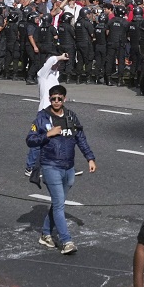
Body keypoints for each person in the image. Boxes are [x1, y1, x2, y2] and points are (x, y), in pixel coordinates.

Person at [26, 84, 98, 254]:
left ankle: (45, 234)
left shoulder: (72, 117)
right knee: (59, 204)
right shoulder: (42, 118)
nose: (56, 101)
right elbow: (30, 140)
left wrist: (90, 158)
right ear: (49, 99)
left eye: (59, 98)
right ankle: (66, 241)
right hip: (51, 165)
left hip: (69, 167)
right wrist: (47, 135)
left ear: (64, 99)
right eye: (53, 98)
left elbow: (81, 138)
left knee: (57, 204)